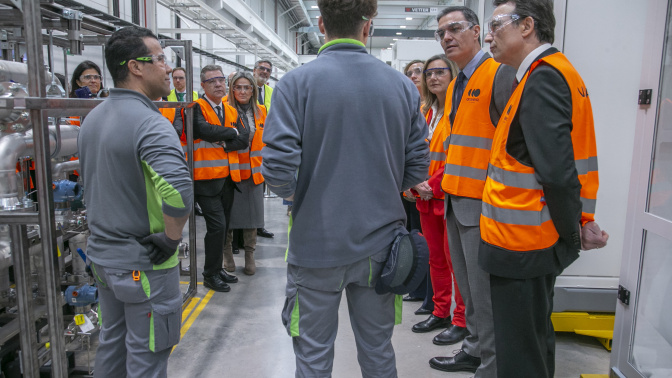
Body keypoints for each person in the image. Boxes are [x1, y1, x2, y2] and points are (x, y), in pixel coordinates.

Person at [261, 0, 429, 375]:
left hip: (315, 245)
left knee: (313, 355)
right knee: (378, 350)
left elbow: (276, 167)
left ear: (321, 25)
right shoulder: (401, 86)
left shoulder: (295, 84)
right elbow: (418, 164)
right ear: (368, 27)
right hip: (381, 247)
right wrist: (381, 187)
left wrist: (298, 192)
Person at [480, 1, 608, 376]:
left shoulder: (544, 78)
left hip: (523, 244)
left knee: (521, 353)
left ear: (527, 26)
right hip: (527, 240)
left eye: (496, 25)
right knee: (531, 342)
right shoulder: (547, 73)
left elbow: (557, 173)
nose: (489, 35)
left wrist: (573, 232)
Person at [78, 26, 193, 377]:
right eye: (159, 59)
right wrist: (171, 239)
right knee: (148, 357)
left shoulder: (93, 118)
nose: (167, 68)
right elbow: (179, 192)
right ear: (136, 67)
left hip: (102, 260)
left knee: (113, 346)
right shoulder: (150, 123)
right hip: (142, 265)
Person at [428, 5, 516, 375]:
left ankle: (492, 366)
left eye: (454, 29)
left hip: (484, 205)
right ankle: (475, 348)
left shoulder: (499, 75)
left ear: (477, 31)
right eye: (441, 33)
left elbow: (513, 144)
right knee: (469, 290)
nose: (447, 37)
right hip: (455, 201)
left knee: (486, 294)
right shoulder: (456, 85)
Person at [174, 65, 249, 292]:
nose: (218, 84)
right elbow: (201, 130)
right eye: (212, 81)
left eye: (220, 80)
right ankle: (209, 274)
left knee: (223, 227)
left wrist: (225, 140)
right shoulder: (194, 108)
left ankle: (217, 270)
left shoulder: (232, 110)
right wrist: (231, 132)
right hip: (205, 179)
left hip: (227, 178)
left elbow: (244, 139)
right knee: (217, 227)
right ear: (203, 85)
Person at [410, 54, 468, 346]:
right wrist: (414, 184)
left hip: (448, 196)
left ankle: (462, 320)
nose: (432, 77)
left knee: (455, 260)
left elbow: (459, 157)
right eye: (428, 73)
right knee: (436, 259)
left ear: (454, 74)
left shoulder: (460, 112)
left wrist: (430, 185)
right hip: (426, 196)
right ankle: (440, 310)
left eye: (440, 72)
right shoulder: (428, 112)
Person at [222, 71, 267, 276]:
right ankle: (228, 255)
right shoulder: (224, 109)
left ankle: (250, 256)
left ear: (253, 90)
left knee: (253, 217)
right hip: (230, 173)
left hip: (254, 173)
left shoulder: (261, 111)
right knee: (228, 218)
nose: (242, 91)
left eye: (246, 87)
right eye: (238, 87)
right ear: (232, 89)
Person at [252, 60, 276, 240]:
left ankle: (258, 226)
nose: (265, 72)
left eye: (268, 70)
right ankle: (242, 232)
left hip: (264, 147)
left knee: (260, 188)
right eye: (262, 69)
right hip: (246, 146)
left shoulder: (270, 92)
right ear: (254, 70)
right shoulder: (245, 87)